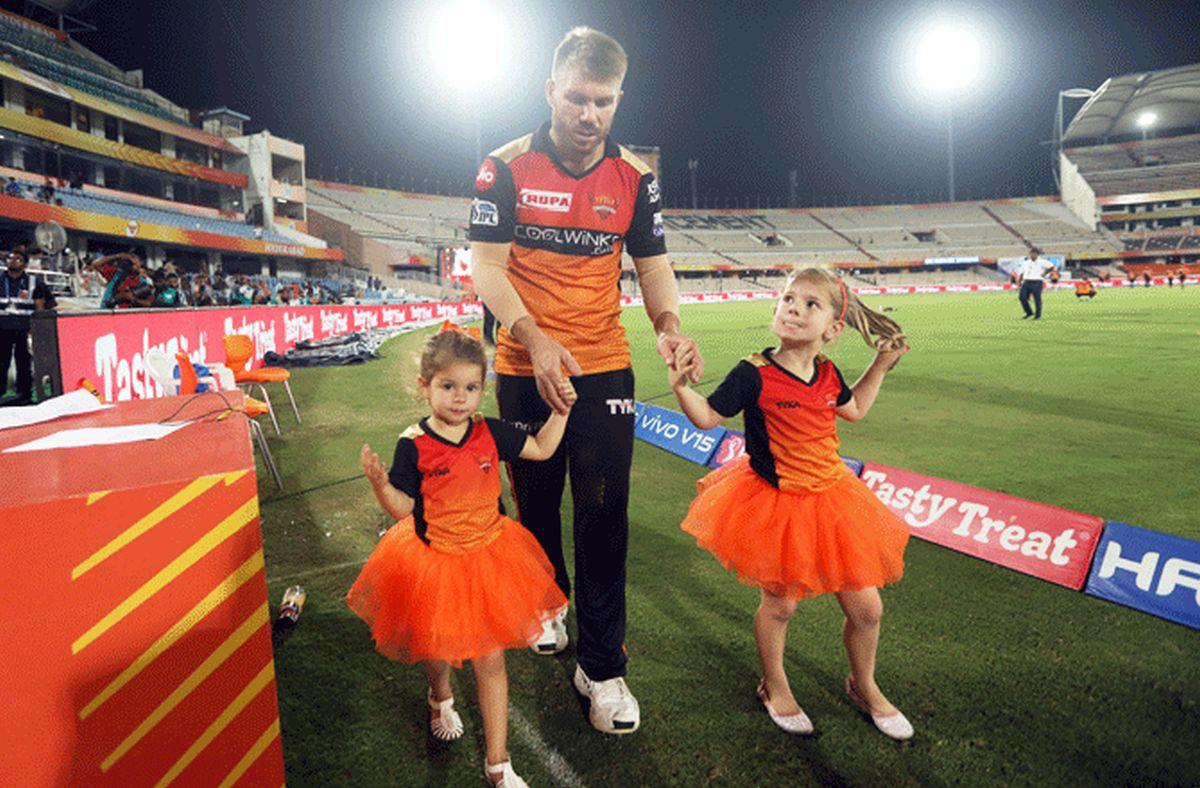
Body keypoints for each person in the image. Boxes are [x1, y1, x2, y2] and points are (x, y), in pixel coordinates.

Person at [468, 26, 702, 734]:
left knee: (603, 517)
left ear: (618, 100)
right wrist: (533, 339)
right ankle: (547, 602)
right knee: (535, 502)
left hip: (603, 367)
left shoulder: (636, 178)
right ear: (551, 92)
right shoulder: (503, 166)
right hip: (522, 364)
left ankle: (601, 669)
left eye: (602, 102)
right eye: (576, 98)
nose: (588, 115)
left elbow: (653, 266)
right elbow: (486, 266)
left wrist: (668, 327)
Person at [669, 267, 914, 741]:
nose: (794, 309)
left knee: (868, 610)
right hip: (778, 504)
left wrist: (880, 367)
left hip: (834, 502)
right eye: (787, 299)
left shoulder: (826, 372)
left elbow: (854, 410)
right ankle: (775, 685)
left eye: (809, 304)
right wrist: (681, 387)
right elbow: (707, 418)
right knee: (780, 605)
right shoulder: (753, 373)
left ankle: (863, 685)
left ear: (833, 329)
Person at [348, 329, 576, 788]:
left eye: (471, 388)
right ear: (425, 385)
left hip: (490, 556)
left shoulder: (490, 431)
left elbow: (543, 449)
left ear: (482, 388)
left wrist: (560, 411)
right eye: (448, 386)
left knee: (490, 661)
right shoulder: (412, 443)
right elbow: (404, 508)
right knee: (438, 649)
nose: (460, 398)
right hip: (436, 561)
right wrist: (379, 485)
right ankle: (440, 696)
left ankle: (498, 764)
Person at [0, 246, 55, 404]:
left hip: (24, 330)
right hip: (2, 329)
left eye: (18, 259)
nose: (13, 261)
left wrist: (37, 327)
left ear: (24, 265)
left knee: (23, 363)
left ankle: (24, 394)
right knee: (1, 362)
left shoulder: (33, 282)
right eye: (11, 257)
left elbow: (45, 305)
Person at [1017, 247, 1054, 320]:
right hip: (1026, 281)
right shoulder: (1026, 262)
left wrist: (1044, 273)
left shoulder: (1042, 262)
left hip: (1037, 281)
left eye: (1034, 253)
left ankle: (1037, 316)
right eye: (1031, 253)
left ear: (1037, 254)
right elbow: (1022, 272)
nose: (1032, 255)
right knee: (1022, 297)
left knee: (1037, 299)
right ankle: (1029, 312)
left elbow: (1051, 267)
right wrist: (1019, 281)